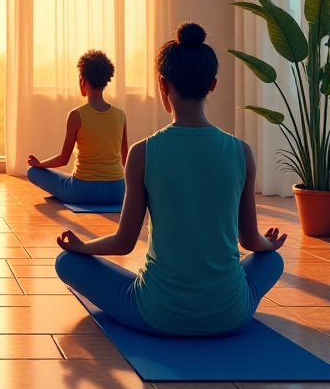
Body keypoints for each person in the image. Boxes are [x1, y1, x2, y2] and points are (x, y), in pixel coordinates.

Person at [55, 22, 286, 337]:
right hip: (231, 314)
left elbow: (124, 242)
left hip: (157, 313)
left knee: (66, 262)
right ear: (213, 85)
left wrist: (82, 247)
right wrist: (268, 244)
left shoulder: (142, 153)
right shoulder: (241, 152)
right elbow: (249, 241)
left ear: (162, 85)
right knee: (272, 261)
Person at [27, 50, 128, 205]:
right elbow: (126, 160)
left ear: (82, 80)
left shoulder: (76, 115)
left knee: (33, 172)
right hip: (117, 192)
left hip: (83, 192)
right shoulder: (120, 115)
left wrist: (39, 164)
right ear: (105, 81)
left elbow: (63, 159)